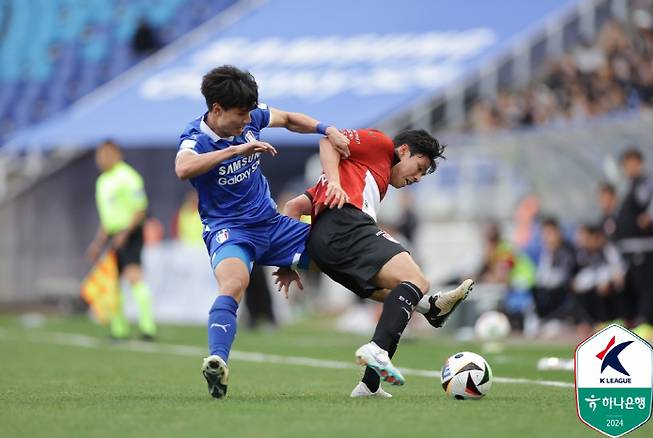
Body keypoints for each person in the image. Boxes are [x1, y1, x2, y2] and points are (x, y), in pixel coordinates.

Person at [174, 65, 349, 399]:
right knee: (234, 283)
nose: (246, 121)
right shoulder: (195, 138)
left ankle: (415, 300)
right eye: (240, 115)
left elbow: (290, 119)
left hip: (271, 224)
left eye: (248, 114)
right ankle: (217, 362)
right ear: (216, 109)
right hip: (230, 232)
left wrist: (327, 128)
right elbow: (182, 168)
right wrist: (235, 150)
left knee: (341, 255)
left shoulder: (250, 117)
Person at [276, 128, 474, 398]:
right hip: (346, 226)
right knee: (417, 281)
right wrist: (334, 181)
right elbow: (327, 141)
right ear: (403, 150)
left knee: (399, 297)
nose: (417, 178)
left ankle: (369, 385)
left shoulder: (353, 174)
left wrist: (287, 262)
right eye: (419, 167)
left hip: (325, 247)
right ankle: (386, 342)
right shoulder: (380, 144)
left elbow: (292, 207)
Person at [86, 140, 157, 340]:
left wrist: (124, 234)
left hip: (130, 233)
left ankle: (147, 328)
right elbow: (108, 218)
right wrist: (97, 243)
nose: (101, 159)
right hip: (112, 235)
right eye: (99, 155)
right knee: (112, 282)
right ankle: (119, 329)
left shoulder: (129, 177)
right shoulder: (102, 181)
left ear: (117, 154)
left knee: (134, 276)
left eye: (106, 154)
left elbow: (140, 209)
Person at [615, 148, 653, 339]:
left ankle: (648, 322)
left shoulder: (646, 183)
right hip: (630, 246)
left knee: (648, 286)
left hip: (644, 245)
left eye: (632, 163)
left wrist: (649, 215)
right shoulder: (629, 184)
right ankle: (638, 320)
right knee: (634, 285)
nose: (629, 167)